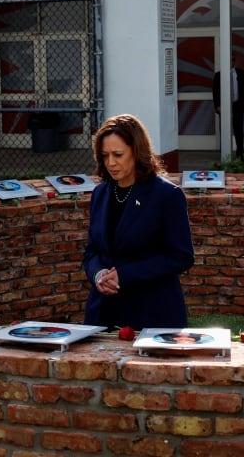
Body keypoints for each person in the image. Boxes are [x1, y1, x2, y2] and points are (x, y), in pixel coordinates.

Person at [83, 114, 195, 331]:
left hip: (151, 312)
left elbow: (181, 257)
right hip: (103, 313)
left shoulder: (166, 195)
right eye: (104, 155)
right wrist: (98, 275)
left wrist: (124, 275)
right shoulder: (100, 193)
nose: (110, 163)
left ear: (136, 152)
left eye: (118, 154)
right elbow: (92, 251)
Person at [212, 54, 244, 158]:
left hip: (238, 104)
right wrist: (217, 106)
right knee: (224, 130)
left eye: (232, 60)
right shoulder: (218, 75)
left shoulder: (241, 73)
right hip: (224, 107)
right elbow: (215, 92)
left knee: (238, 130)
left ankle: (240, 153)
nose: (230, 62)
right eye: (228, 60)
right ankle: (224, 154)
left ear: (234, 61)